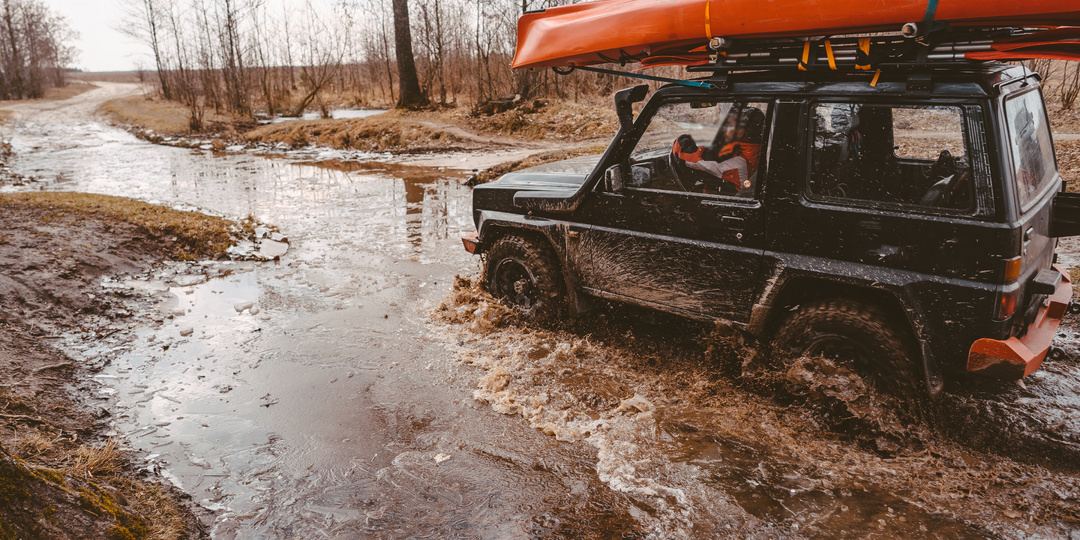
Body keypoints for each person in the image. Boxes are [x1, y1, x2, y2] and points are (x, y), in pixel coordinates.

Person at [671, 106, 765, 195]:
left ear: (742, 132)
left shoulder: (738, 165)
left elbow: (692, 160)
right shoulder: (758, 153)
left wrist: (681, 143)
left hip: (731, 205)